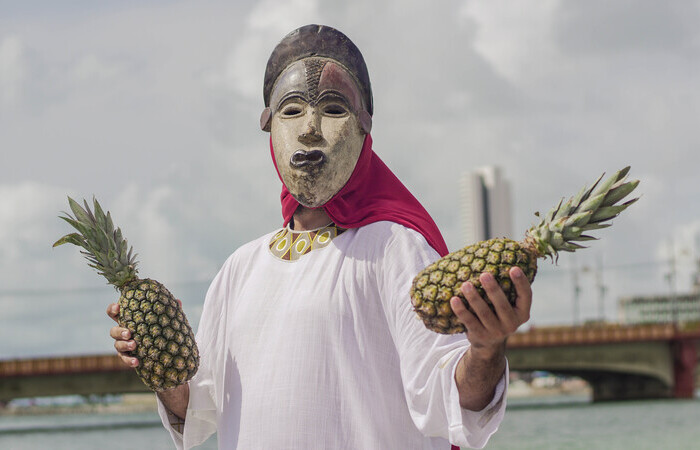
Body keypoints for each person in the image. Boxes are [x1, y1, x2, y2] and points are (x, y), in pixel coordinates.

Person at [107, 24, 532, 449]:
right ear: (270, 130)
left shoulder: (394, 247)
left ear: (365, 129)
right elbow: (198, 410)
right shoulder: (240, 267)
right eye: (291, 111)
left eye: (333, 108)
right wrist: (160, 362)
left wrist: (484, 350)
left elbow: (449, 400)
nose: (309, 128)